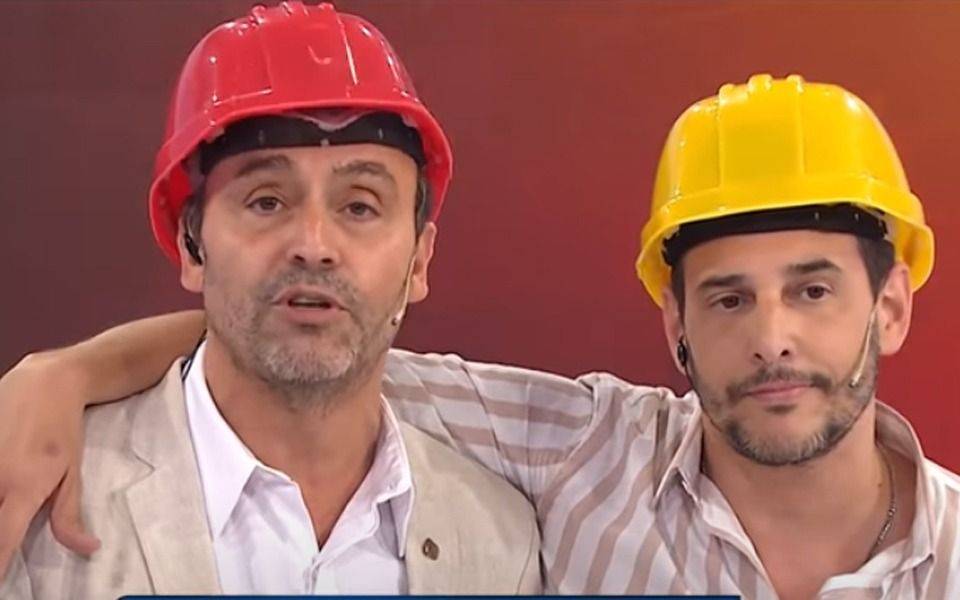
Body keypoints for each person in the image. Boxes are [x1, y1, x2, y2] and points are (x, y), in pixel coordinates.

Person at [4, 73, 960, 597]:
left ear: (891, 306)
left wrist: (71, 366)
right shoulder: (588, 456)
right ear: (675, 319)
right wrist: (66, 375)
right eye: (728, 299)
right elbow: (311, 339)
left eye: (813, 291)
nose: (773, 339)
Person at [0, 3, 540, 598]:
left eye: (360, 206)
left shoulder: (501, 545)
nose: (314, 245)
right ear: (191, 246)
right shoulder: (29, 506)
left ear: (418, 262)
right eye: (266, 201)